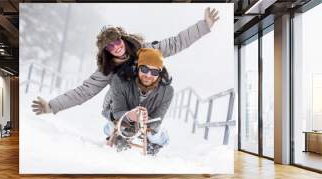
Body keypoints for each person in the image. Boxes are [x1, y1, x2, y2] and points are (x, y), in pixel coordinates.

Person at [31, 8, 219, 116]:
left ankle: (150, 130)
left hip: (142, 101)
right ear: (107, 51)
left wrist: (203, 26)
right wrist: (52, 105)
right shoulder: (108, 69)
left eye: (117, 42)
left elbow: (175, 43)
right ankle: (120, 125)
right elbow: (84, 91)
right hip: (117, 106)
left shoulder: (144, 50)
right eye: (110, 47)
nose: (116, 47)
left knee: (156, 79)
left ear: (122, 39)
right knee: (120, 86)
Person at [104, 48, 173, 156]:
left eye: (154, 72)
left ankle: (156, 144)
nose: (149, 75)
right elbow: (116, 111)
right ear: (137, 68)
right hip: (120, 115)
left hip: (147, 121)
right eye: (144, 69)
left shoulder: (167, 91)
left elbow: (157, 119)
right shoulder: (121, 80)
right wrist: (129, 115)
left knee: (156, 135)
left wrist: (142, 118)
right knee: (110, 127)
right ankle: (119, 137)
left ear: (159, 73)